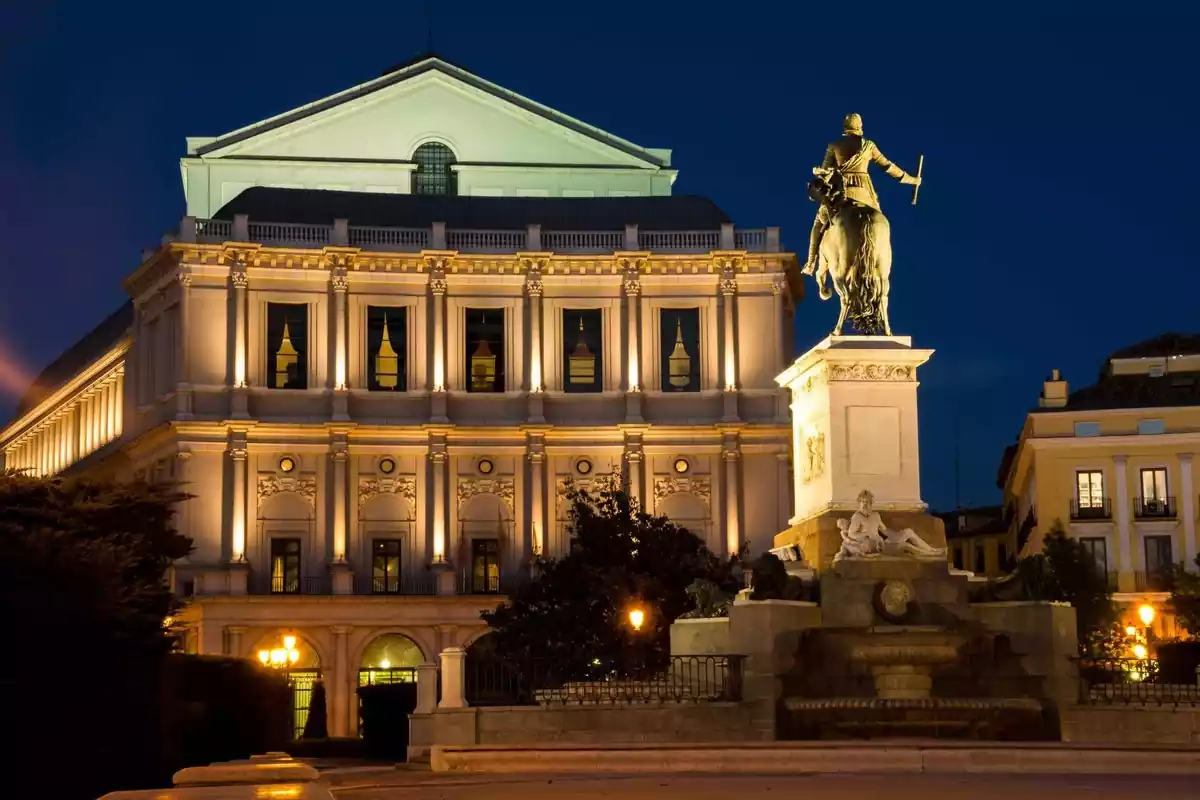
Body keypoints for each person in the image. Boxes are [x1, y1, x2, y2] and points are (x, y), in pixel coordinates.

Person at [803, 113, 922, 276]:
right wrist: (912, 180)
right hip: (865, 193)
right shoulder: (868, 145)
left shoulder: (834, 146)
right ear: (860, 127)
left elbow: (823, 176)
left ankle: (810, 263)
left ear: (845, 128)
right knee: (878, 219)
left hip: (841, 193)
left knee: (818, 223)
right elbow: (888, 167)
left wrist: (821, 173)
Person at [834, 489, 946, 561]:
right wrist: (867, 534)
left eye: (867, 502)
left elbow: (885, 530)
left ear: (871, 504)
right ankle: (929, 555)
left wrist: (897, 536)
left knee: (908, 532)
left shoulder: (876, 515)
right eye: (863, 502)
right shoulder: (857, 517)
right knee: (905, 546)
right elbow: (852, 534)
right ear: (859, 503)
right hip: (872, 546)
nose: (865, 505)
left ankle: (931, 550)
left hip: (881, 542)